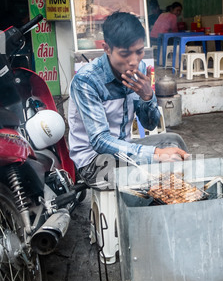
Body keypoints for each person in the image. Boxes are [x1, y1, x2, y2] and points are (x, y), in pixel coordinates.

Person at [68, 11, 188, 189]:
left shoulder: (139, 69)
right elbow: (100, 141)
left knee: (173, 141)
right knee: (146, 175)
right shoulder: (87, 80)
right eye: (125, 54)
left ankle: (173, 199)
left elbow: (150, 124)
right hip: (94, 161)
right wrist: (156, 153)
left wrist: (148, 97)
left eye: (139, 52)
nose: (133, 61)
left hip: (124, 149)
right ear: (107, 48)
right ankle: (148, 208)